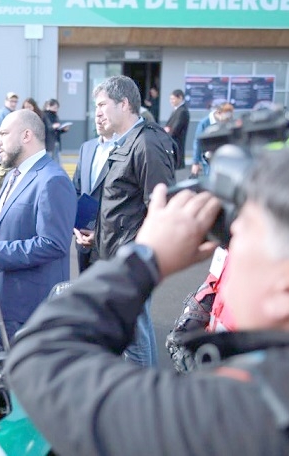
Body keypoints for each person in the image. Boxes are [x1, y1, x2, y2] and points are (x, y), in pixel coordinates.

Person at [7, 130, 289, 456]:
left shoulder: (246, 419)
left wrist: (144, 259)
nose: (223, 247)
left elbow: (42, 357)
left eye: (239, 232)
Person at [0, 110, 75, 339]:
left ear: (27, 135)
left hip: (30, 309)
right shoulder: (12, 175)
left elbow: (54, 244)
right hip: (4, 301)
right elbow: (10, 225)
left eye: (4, 133)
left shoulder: (52, 179)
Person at [93, 75, 176, 367]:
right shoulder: (127, 142)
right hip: (119, 254)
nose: (98, 112)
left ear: (124, 103)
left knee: (134, 338)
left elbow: (159, 207)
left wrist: (141, 260)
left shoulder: (147, 143)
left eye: (102, 104)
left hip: (133, 260)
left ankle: (144, 404)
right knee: (133, 333)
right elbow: (122, 205)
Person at [71, 119, 114, 273]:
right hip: (82, 240)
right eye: (96, 107)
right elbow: (76, 189)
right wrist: (75, 228)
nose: (98, 115)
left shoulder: (128, 148)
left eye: (103, 105)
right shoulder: (87, 148)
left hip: (110, 243)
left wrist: (100, 234)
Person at [190, 102, 234, 177]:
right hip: (208, 159)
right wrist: (195, 162)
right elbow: (198, 142)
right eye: (226, 118)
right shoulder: (204, 123)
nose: (227, 120)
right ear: (219, 113)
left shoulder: (227, 123)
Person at [164, 89, 190, 169]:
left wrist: (168, 130)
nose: (171, 101)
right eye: (170, 99)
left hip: (176, 145)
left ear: (180, 98)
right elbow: (168, 127)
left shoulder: (182, 111)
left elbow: (174, 130)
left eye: (173, 99)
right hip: (172, 145)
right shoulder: (176, 110)